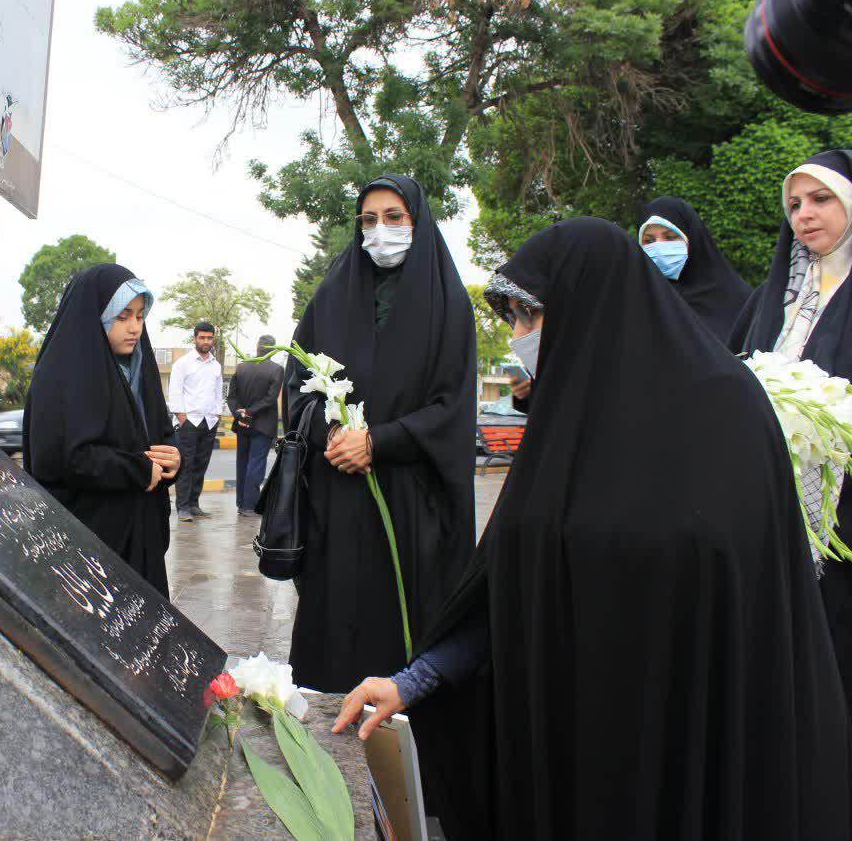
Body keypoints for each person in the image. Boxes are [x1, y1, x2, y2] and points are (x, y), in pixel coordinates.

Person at [336, 218, 851, 841]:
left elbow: (749, 611)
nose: (522, 339)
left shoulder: (728, 412)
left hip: (687, 757)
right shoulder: (563, 432)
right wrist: (413, 680)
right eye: (514, 322)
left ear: (593, 304)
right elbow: (505, 595)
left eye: (531, 317)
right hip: (571, 758)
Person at [285, 173, 477, 695]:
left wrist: (380, 441)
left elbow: (452, 407)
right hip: (339, 498)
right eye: (368, 220)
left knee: (400, 639)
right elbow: (297, 384)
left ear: (417, 222)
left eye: (394, 218)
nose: (380, 230)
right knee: (334, 644)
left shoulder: (449, 305)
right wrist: (333, 434)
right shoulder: (331, 297)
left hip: (408, 504)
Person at [731, 149, 852, 713]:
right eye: (794, 204)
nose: (804, 214)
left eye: (821, 198)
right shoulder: (773, 299)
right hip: (775, 499)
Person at [22, 264, 181, 598]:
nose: (134, 327)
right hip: (90, 543)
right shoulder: (60, 376)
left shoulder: (139, 370)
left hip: (141, 537)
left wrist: (172, 458)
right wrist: (136, 469)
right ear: (94, 315)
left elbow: (159, 432)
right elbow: (61, 458)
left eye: (140, 316)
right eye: (122, 316)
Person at [637, 196, 752, 343]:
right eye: (649, 240)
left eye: (670, 237)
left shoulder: (743, 302)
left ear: (693, 238)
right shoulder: (641, 302)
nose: (659, 247)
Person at [168, 322, 222, 522]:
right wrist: (182, 417)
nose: (206, 341)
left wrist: (217, 414)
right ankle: (182, 507)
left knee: (201, 464)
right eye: (202, 337)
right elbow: (175, 391)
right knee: (186, 465)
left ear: (212, 339)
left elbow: (218, 393)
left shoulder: (216, 365)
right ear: (195, 338)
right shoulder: (183, 363)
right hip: (189, 422)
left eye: (209, 338)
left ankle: (194, 504)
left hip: (209, 422)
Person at [227, 334, 284, 517]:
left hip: (243, 423)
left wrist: (239, 411)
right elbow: (270, 398)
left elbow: (232, 395)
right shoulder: (277, 369)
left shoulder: (242, 367)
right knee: (256, 464)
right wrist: (250, 411)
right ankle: (250, 506)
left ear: (257, 346)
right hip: (263, 425)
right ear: (273, 349)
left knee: (242, 463)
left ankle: (241, 502)